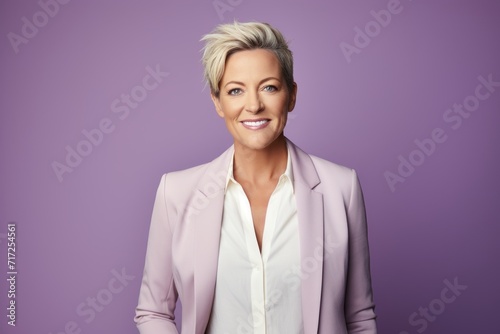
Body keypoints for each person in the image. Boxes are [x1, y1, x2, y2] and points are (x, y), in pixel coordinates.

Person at [134, 21, 377, 334]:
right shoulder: (177, 193)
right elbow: (153, 311)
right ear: (217, 102)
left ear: (291, 96)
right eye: (235, 90)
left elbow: (359, 317)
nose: (253, 105)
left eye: (269, 87)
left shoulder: (341, 188)